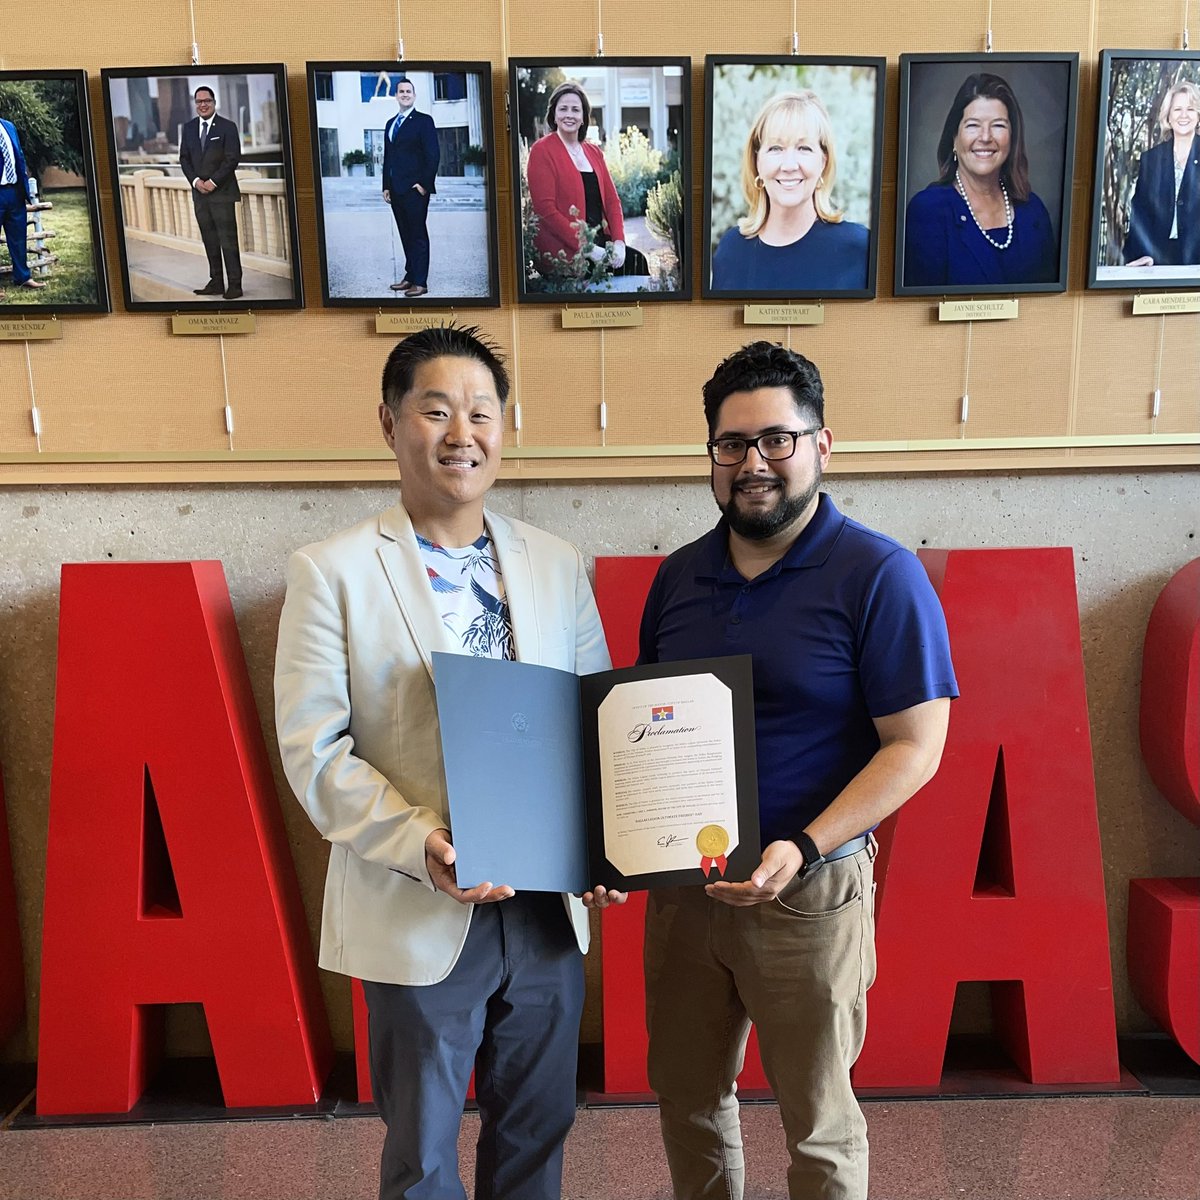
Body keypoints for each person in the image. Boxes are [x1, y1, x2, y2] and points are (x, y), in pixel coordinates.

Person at [274, 324, 615, 1200]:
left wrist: (613, 842)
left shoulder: (556, 562)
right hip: (418, 901)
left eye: (480, 411)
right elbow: (315, 753)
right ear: (389, 424)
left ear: (505, 426)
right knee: (423, 1154)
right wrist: (423, 842)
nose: (461, 432)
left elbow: (594, 724)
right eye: (435, 410)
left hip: (545, 912)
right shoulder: (333, 572)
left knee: (539, 1133)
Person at [638, 341, 958, 1200]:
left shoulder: (878, 574)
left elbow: (916, 747)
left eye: (777, 440)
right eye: (731, 444)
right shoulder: (677, 580)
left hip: (807, 894)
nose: (754, 465)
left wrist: (805, 846)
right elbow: (642, 735)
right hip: (683, 893)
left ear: (822, 445)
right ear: (711, 454)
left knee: (816, 1121)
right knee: (687, 1099)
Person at [903, 72, 1057, 288]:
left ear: (1012, 139)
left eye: (998, 125)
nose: (985, 137)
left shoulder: (1033, 210)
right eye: (973, 125)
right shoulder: (928, 211)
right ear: (954, 139)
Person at [711, 90, 869, 293]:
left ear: (823, 161)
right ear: (757, 161)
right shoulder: (731, 250)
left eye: (804, 148)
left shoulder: (860, 247)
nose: (789, 165)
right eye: (776, 148)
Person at [525, 81, 648, 281]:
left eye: (575, 109)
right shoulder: (542, 150)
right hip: (564, 250)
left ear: (583, 117)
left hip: (599, 243)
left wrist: (619, 243)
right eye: (563, 109)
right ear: (554, 115)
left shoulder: (593, 152)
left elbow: (611, 201)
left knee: (637, 262)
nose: (569, 115)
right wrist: (587, 248)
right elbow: (545, 210)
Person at [1123, 80, 1200, 267]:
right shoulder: (1151, 159)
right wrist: (1141, 254)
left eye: (1190, 109)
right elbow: (1140, 212)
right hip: (1156, 261)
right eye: (1177, 109)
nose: (1183, 116)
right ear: (1168, 116)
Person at [179, 85, 243, 300]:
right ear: (195, 104)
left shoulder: (227, 126)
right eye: (199, 101)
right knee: (210, 240)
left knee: (228, 241)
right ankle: (216, 282)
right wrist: (196, 182)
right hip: (200, 195)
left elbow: (232, 158)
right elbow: (184, 159)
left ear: (214, 103)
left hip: (222, 193)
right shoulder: (188, 128)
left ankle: (235, 285)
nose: (203, 104)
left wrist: (213, 182)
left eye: (207, 101)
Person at [382, 78, 440, 298]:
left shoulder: (424, 121)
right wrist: (386, 186)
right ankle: (409, 277)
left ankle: (420, 282)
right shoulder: (390, 123)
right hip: (396, 190)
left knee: (417, 235)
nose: (405, 94)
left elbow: (433, 155)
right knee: (405, 234)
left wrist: (424, 185)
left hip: (415, 190)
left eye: (408, 91)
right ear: (396, 96)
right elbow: (388, 158)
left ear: (414, 96)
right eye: (401, 91)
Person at [0, 112, 45, 299]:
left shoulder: (8, 125)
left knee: (18, 237)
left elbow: (18, 155)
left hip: (15, 191)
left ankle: (22, 277)